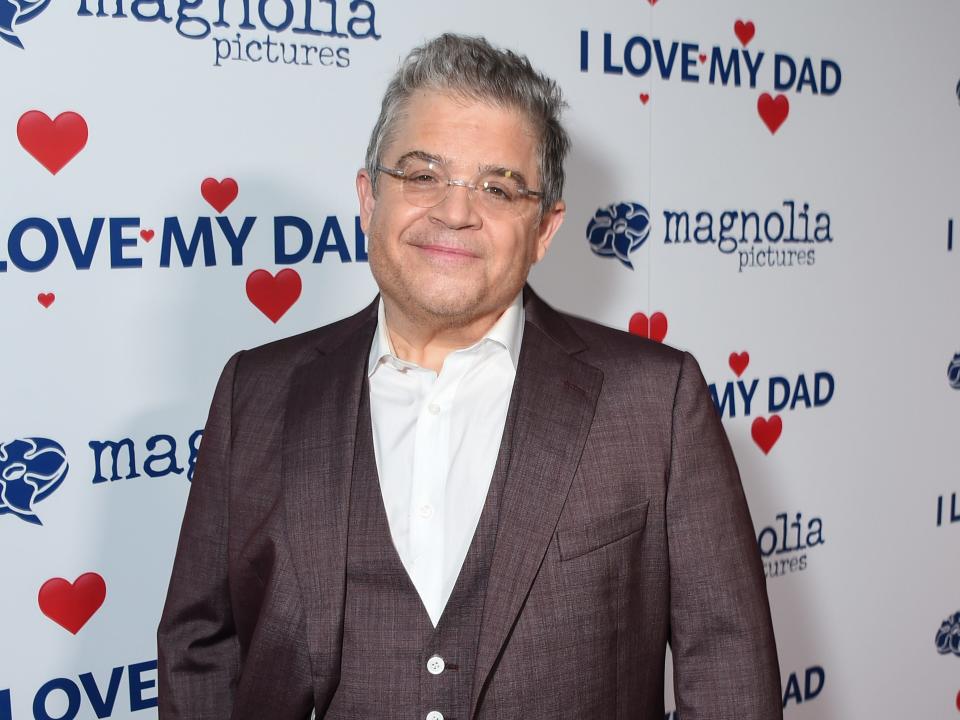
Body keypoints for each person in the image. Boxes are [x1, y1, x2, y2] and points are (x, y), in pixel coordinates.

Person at [157, 33, 782, 720]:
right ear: (369, 200)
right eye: (422, 175)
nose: (455, 212)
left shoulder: (655, 404)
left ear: (544, 229)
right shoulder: (258, 393)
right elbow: (200, 646)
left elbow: (730, 676)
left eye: (498, 187)